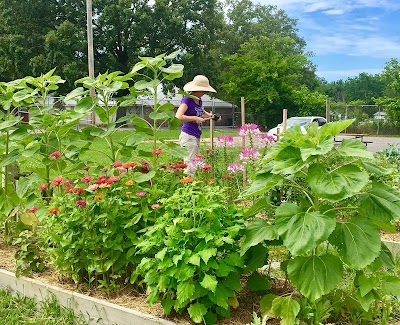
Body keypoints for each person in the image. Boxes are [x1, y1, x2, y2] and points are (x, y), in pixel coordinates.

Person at [175, 75, 219, 175]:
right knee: (190, 165)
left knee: (195, 163)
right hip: (188, 135)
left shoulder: (199, 100)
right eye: (203, 91)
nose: (204, 93)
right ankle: (187, 186)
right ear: (196, 89)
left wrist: (212, 116)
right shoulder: (187, 100)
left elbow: (201, 112)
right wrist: (194, 118)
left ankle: (192, 185)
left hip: (196, 135)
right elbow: (179, 116)